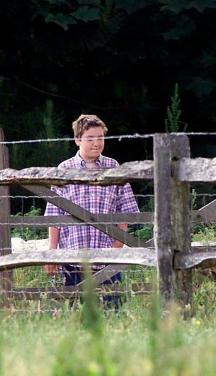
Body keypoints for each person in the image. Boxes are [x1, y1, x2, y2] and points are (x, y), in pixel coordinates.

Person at [44, 114, 140, 307]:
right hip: (72, 257)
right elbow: (55, 216)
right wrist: (52, 254)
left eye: (100, 137)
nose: (97, 143)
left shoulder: (113, 168)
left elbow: (126, 212)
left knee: (112, 312)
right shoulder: (64, 169)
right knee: (75, 313)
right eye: (90, 138)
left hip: (107, 257)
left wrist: (116, 247)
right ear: (78, 139)